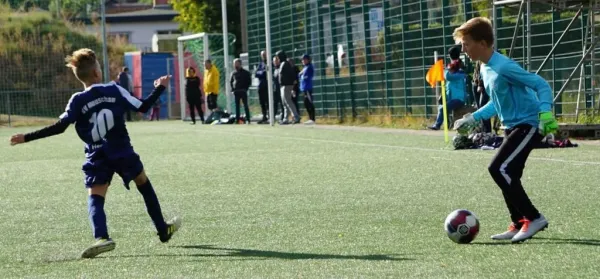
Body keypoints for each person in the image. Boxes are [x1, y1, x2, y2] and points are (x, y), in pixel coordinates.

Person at [9, 48, 181, 258]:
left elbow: (59, 127)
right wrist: (160, 88)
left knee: (95, 198)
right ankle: (162, 229)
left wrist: (26, 137)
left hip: (97, 155)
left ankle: (101, 237)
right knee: (143, 184)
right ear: (97, 73)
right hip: (122, 151)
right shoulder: (114, 90)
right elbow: (143, 107)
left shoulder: (77, 100)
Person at [452, 17, 558, 243]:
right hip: (511, 126)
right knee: (509, 173)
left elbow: (540, 84)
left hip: (528, 124)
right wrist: (474, 117)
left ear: (482, 43)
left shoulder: (504, 65)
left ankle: (534, 217)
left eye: (466, 44)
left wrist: (545, 112)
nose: (463, 49)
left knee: (498, 169)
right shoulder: (485, 67)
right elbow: (496, 101)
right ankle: (519, 222)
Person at [428, 45, 466, 130]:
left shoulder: (460, 70)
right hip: (451, 96)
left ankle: (437, 125)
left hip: (458, 98)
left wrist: (444, 70)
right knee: (442, 107)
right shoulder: (453, 67)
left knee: (442, 108)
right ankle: (448, 124)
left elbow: (449, 77)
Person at [276, 50, 300, 124]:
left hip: (286, 85)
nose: (278, 59)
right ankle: (285, 119)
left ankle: (296, 117)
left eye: (278, 57)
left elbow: (290, 74)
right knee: (285, 103)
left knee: (288, 102)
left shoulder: (285, 63)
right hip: (284, 85)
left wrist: (292, 84)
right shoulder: (284, 63)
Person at [472, 61, 492, 133]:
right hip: (475, 82)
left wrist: (480, 84)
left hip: (484, 84)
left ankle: (487, 131)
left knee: (483, 106)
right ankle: (482, 130)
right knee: (479, 108)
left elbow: (484, 68)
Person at [230, 58, 252, 124]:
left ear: (240, 64)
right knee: (237, 106)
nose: (235, 65)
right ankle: (237, 120)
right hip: (236, 91)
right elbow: (231, 82)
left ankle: (248, 119)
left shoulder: (246, 73)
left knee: (245, 105)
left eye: (236, 63)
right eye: (234, 64)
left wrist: (245, 89)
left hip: (243, 91)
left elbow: (249, 81)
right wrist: (232, 90)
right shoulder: (233, 73)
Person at [299, 54, 315, 124]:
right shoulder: (305, 67)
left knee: (309, 103)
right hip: (304, 88)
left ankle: (312, 119)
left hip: (308, 88)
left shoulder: (309, 67)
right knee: (306, 103)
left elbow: (308, 76)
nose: (303, 61)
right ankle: (310, 118)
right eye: (302, 59)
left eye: (304, 59)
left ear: (308, 60)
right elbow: (300, 75)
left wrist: (302, 76)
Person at [255, 51, 269, 124]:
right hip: (261, 86)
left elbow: (267, 72)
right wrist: (262, 72)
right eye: (262, 55)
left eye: (264, 55)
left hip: (267, 86)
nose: (263, 56)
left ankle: (270, 116)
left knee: (268, 102)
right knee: (262, 102)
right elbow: (256, 73)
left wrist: (262, 72)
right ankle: (264, 117)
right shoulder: (260, 63)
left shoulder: (269, 62)